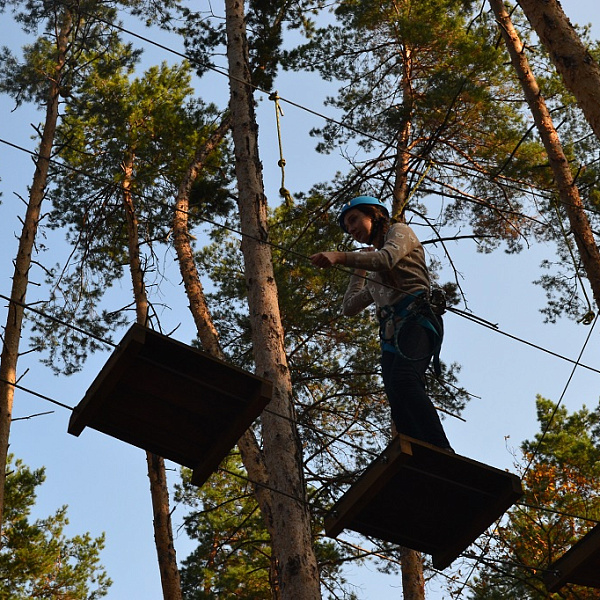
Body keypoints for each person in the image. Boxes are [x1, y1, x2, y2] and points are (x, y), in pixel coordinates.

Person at [310, 195, 452, 451]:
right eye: (346, 226)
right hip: (393, 335)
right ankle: (419, 455)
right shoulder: (375, 274)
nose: (351, 229)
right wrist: (359, 271)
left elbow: (386, 259)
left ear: (374, 214)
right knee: (397, 398)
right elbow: (349, 307)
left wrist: (341, 257)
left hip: (417, 319)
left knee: (405, 380)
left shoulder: (401, 232)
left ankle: (442, 450)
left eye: (353, 220)